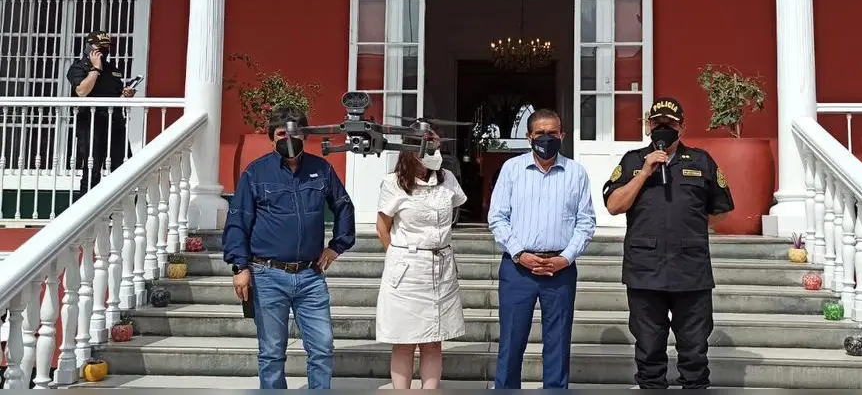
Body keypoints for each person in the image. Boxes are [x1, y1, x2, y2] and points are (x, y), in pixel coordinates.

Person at [603, 97, 735, 389]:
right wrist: (646, 171)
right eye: (657, 122)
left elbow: (721, 211)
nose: (663, 127)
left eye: (670, 123)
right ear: (648, 125)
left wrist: (689, 230)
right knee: (649, 350)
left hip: (691, 271)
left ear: (682, 126)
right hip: (645, 270)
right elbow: (614, 205)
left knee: (695, 350)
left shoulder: (701, 161)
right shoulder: (632, 161)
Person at [222, 105, 357, 390]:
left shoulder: (321, 169)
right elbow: (238, 221)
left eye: (294, 132)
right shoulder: (256, 173)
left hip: (310, 276)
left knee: (322, 348)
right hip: (268, 275)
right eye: (282, 133)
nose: (288, 138)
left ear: (304, 135)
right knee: (271, 353)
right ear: (272, 138)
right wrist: (240, 266)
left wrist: (337, 246)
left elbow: (343, 206)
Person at [487, 108, 596, 389]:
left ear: (562, 135)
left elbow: (586, 222)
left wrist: (566, 258)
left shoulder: (576, 172)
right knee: (511, 341)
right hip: (517, 270)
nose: (546, 139)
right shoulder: (512, 170)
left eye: (552, 133)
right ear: (529, 137)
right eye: (540, 134)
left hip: (560, 270)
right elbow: (497, 217)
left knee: (558, 343)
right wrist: (520, 254)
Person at [375, 132, 467, 389]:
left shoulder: (447, 179)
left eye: (435, 144)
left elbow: (456, 205)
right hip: (408, 267)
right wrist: (401, 258)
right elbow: (383, 229)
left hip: (441, 265)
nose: (431, 150)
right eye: (424, 145)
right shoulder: (393, 182)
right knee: (404, 342)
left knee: (434, 341)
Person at [65, 30, 135, 195]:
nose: (104, 51)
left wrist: (126, 93)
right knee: (92, 170)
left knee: (124, 166)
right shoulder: (78, 67)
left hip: (115, 123)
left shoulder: (113, 69)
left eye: (106, 47)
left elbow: (115, 95)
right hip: (91, 123)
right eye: (100, 47)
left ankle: (117, 211)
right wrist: (95, 69)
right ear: (89, 47)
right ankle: (86, 215)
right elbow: (82, 91)